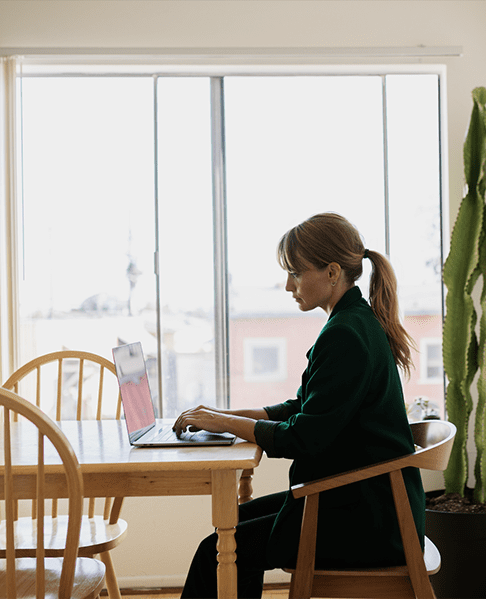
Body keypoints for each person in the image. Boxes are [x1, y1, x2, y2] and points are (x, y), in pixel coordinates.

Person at [173, 212, 426, 598]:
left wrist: (225, 423)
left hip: (367, 519)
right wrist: (223, 418)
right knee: (232, 525)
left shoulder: (345, 334)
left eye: (295, 272)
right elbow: (304, 407)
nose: (288, 284)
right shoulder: (353, 322)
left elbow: (304, 439)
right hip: (362, 502)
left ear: (331, 272)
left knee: (220, 550)